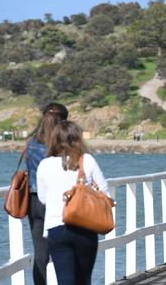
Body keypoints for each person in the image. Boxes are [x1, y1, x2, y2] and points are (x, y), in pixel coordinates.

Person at [37, 121, 109, 285]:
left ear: (54, 139)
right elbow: (105, 193)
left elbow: (42, 198)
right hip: (85, 226)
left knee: (65, 281)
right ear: (78, 139)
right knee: (84, 279)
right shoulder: (87, 160)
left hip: (56, 226)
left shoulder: (44, 165)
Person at [25, 102, 68, 285]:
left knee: (40, 255)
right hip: (56, 202)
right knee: (64, 251)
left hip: (34, 202)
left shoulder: (31, 141)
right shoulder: (62, 144)